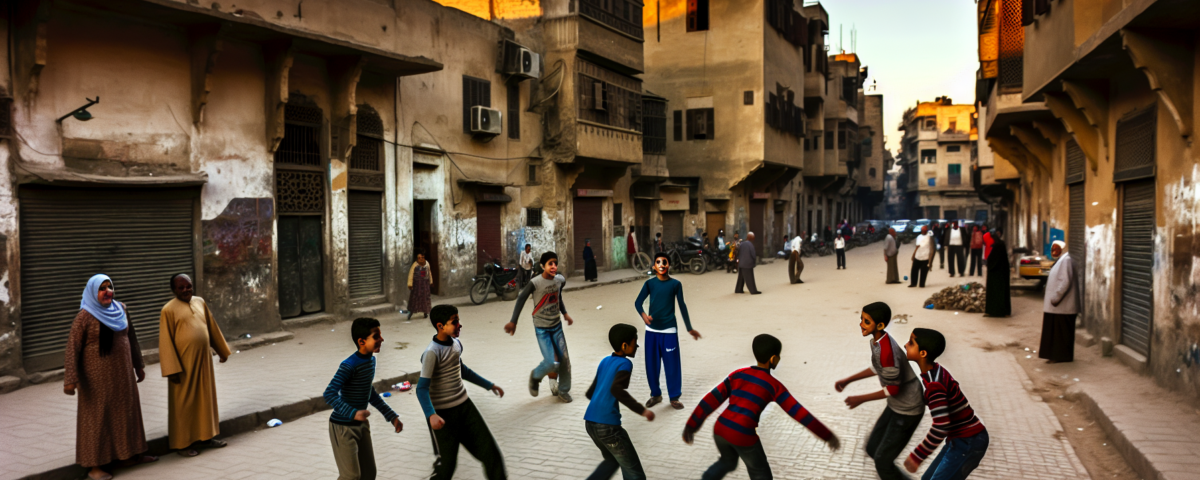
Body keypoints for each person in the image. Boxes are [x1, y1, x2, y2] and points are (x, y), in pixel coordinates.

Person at [684, 334, 840, 480]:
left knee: (728, 462)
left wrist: (692, 425)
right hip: (743, 434)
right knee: (760, 473)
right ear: (773, 359)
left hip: (720, 429)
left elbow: (710, 400)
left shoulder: (737, 374)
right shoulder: (774, 386)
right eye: (779, 356)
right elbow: (799, 413)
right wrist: (826, 435)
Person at [64, 274, 157, 480]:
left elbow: (131, 337)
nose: (107, 291)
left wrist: (138, 365)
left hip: (122, 375)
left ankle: (129, 456)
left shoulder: (121, 309)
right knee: (97, 419)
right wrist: (71, 380)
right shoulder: (85, 316)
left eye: (110, 287)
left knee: (126, 414)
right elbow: (73, 348)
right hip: (96, 380)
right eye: (102, 288)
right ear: (92, 292)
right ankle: (95, 467)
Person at [835, 302, 925, 480]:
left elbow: (893, 388)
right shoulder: (878, 341)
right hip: (896, 406)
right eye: (861, 319)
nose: (861, 324)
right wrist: (849, 380)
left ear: (881, 325)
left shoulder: (886, 350)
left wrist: (860, 398)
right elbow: (879, 367)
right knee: (873, 448)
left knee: (882, 462)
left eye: (867, 321)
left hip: (908, 409)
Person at [418, 305, 507, 479]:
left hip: (465, 408)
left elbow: (462, 370)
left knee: (491, 454)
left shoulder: (456, 344)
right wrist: (431, 415)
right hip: (443, 415)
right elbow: (421, 389)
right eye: (455, 322)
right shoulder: (431, 353)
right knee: (447, 466)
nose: (460, 325)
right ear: (440, 326)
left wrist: (489, 385)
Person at [159, 273, 232, 457]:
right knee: (183, 403)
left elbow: (212, 327)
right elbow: (165, 341)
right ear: (174, 290)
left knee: (205, 400)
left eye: (188, 286)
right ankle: (182, 445)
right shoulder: (168, 310)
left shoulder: (200, 302)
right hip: (183, 365)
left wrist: (222, 351)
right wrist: (171, 369)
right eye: (181, 287)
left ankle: (206, 437)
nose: (186, 290)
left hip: (203, 361)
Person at [902, 329, 989, 479]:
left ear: (923, 353)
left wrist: (917, 456)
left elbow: (941, 426)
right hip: (959, 440)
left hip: (969, 441)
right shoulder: (935, 371)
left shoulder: (935, 385)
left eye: (911, 343)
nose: (905, 345)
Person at [323, 318, 403, 480]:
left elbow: (369, 392)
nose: (381, 339)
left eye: (380, 335)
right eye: (376, 336)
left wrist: (391, 416)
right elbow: (329, 393)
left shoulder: (370, 361)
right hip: (343, 427)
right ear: (361, 341)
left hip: (361, 425)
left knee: (369, 474)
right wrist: (353, 413)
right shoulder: (349, 365)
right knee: (351, 476)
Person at [583, 324, 655, 480]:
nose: (636, 345)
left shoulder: (604, 361)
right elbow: (617, 390)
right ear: (624, 345)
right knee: (634, 473)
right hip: (608, 428)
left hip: (590, 423)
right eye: (634, 342)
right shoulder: (625, 364)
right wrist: (643, 410)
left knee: (611, 461)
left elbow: (590, 392)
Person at [634, 252, 702, 410]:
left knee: (672, 365)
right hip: (651, 330)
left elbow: (682, 306)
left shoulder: (675, 284)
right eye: (658, 262)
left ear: (668, 265)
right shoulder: (650, 284)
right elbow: (638, 303)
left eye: (665, 262)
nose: (662, 265)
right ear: (654, 266)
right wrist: (644, 316)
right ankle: (655, 395)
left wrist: (689, 327)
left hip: (669, 330)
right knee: (651, 364)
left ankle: (674, 397)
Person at [506, 252, 575, 402]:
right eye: (550, 264)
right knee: (550, 362)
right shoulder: (535, 283)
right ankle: (535, 376)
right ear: (543, 266)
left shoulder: (559, 281)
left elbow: (558, 298)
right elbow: (521, 299)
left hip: (556, 326)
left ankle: (563, 390)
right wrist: (513, 321)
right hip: (541, 328)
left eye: (555, 263)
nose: (554, 266)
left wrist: (565, 313)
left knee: (564, 359)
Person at [1040, 240, 1077, 363]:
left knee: (1060, 333)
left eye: (1057, 249)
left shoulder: (1066, 260)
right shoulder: (1061, 260)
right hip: (1056, 306)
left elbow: (1065, 281)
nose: (1054, 251)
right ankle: (1055, 356)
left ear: (1063, 249)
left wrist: (1056, 298)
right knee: (1055, 332)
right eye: (1052, 249)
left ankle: (1061, 356)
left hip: (1061, 305)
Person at [984, 230, 1011, 317]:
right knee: (1002, 292)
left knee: (994, 292)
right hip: (1002, 272)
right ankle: (1004, 311)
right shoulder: (1000, 244)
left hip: (995, 272)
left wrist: (989, 264)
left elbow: (992, 260)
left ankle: (992, 311)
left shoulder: (996, 246)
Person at [408, 252, 433, 320]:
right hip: (417, 285)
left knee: (425, 298)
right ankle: (411, 313)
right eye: (419, 258)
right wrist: (410, 284)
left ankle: (425, 312)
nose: (421, 259)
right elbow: (411, 274)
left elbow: (429, 273)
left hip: (425, 284)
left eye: (422, 258)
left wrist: (431, 281)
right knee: (415, 298)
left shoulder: (427, 264)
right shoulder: (415, 265)